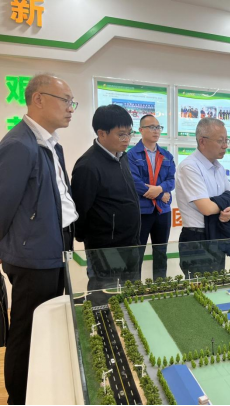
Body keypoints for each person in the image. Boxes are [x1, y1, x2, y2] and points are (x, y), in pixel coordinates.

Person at [0, 74, 78, 405]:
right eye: (66, 101)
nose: (71, 108)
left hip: (54, 248)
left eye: (72, 102)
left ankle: (40, 391)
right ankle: (19, 398)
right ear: (39, 99)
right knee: (26, 330)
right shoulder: (19, 145)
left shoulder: (51, 143)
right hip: (32, 256)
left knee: (46, 327)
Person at [71, 105, 141, 291]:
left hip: (130, 243)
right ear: (102, 133)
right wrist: (89, 239)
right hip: (105, 248)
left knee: (130, 293)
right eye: (121, 134)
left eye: (129, 133)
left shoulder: (122, 158)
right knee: (105, 294)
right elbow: (80, 210)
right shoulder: (88, 165)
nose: (127, 139)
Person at [175, 118, 230, 276]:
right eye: (220, 141)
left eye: (226, 140)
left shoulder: (218, 167)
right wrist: (225, 202)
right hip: (197, 239)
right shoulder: (189, 167)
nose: (225, 145)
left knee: (217, 284)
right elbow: (207, 208)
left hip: (216, 234)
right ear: (202, 141)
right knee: (199, 288)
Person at [128, 115, 175, 280]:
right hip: (142, 211)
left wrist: (160, 189)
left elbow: (171, 180)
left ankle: (160, 286)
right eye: (151, 127)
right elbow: (134, 182)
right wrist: (161, 193)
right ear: (141, 130)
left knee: (161, 252)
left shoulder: (167, 155)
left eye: (158, 127)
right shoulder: (131, 155)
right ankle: (135, 288)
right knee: (137, 252)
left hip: (163, 211)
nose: (156, 131)